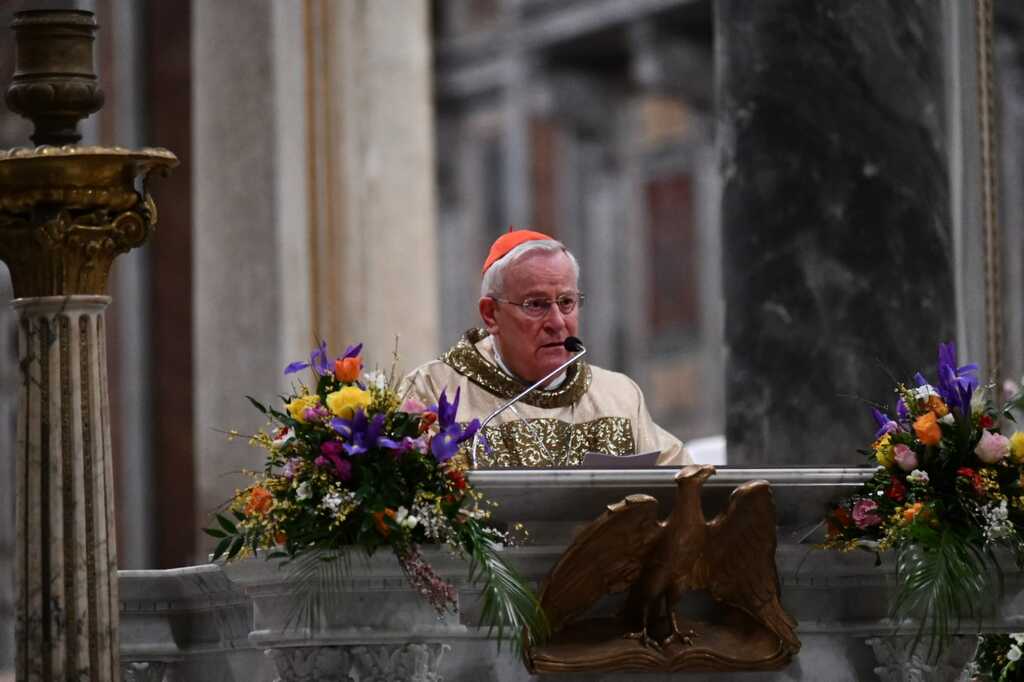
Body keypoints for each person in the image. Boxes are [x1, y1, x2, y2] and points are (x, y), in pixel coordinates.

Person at [403, 229, 692, 468]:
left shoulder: (620, 397)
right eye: (536, 305)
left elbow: (685, 488)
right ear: (491, 314)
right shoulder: (431, 391)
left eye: (566, 302)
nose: (556, 322)